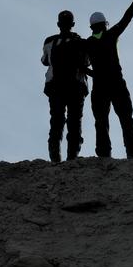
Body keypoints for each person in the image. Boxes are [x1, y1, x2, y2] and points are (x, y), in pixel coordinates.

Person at [86, 0, 133, 159]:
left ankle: (104, 154)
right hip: (117, 83)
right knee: (126, 117)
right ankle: (132, 152)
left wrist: (90, 72)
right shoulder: (111, 35)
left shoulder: (88, 43)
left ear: (91, 27)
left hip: (100, 87)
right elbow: (126, 18)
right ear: (105, 24)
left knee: (101, 121)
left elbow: (81, 66)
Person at [41, 10, 90, 163]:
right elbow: (87, 62)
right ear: (73, 24)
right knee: (75, 121)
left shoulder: (49, 41)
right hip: (76, 86)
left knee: (56, 121)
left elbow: (44, 61)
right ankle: (72, 157)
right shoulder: (81, 42)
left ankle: (55, 158)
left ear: (58, 24)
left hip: (55, 86)